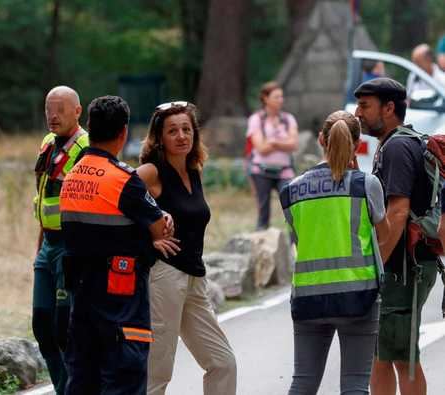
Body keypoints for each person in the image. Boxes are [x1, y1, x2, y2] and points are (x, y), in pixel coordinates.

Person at [60, 95, 178, 395]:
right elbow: (160, 229)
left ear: (89, 126)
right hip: (121, 300)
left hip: (81, 297)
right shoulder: (124, 179)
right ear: (123, 133)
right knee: (123, 380)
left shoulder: (71, 176)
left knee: (83, 379)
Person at [280, 110, 388, 394]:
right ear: (357, 143)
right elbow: (384, 233)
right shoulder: (366, 185)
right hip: (359, 297)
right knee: (355, 384)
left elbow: (299, 237)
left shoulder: (291, 191)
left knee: (303, 381)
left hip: (307, 297)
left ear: (320, 140)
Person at [137, 101, 237, 395]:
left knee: (223, 363)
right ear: (160, 137)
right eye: (172, 131)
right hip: (164, 276)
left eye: (186, 129)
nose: (181, 136)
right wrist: (151, 237)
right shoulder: (151, 172)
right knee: (158, 370)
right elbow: (120, 198)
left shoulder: (193, 169)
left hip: (195, 279)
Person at [355, 78, 438, 395]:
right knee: (382, 355)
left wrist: (376, 268)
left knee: (402, 357)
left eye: (365, 105)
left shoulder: (398, 148)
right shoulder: (397, 143)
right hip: (405, 266)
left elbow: (398, 212)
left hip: (404, 268)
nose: (359, 113)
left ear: (389, 108)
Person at [31, 86, 89, 395]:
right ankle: (63, 388)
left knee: (65, 328)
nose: (53, 116)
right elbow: (44, 195)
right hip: (48, 245)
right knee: (42, 324)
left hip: (71, 245)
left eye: (60, 109)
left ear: (77, 111)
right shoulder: (47, 144)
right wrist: (39, 245)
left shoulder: (86, 147)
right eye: (48, 109)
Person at [246, 81, 299, 230]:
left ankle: (294, 246)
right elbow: (261, 148)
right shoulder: (256, 119)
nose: (280, 100)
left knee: (292, 207)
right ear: (265, 98)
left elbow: (294, 144)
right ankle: (262, 244)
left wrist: (273, 142)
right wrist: (282, 142)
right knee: (263, 210)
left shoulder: (289, 119)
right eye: (276, 97)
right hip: (260, 170)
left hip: (285, 170)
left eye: (281, 97)